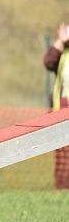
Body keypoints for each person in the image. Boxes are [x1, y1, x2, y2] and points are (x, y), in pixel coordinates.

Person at [44, 22, 69, 189]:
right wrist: (61, 41)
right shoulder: (64, 54)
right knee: (64, 158)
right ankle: (63, 189)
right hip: (63, 109)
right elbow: (48, 62)